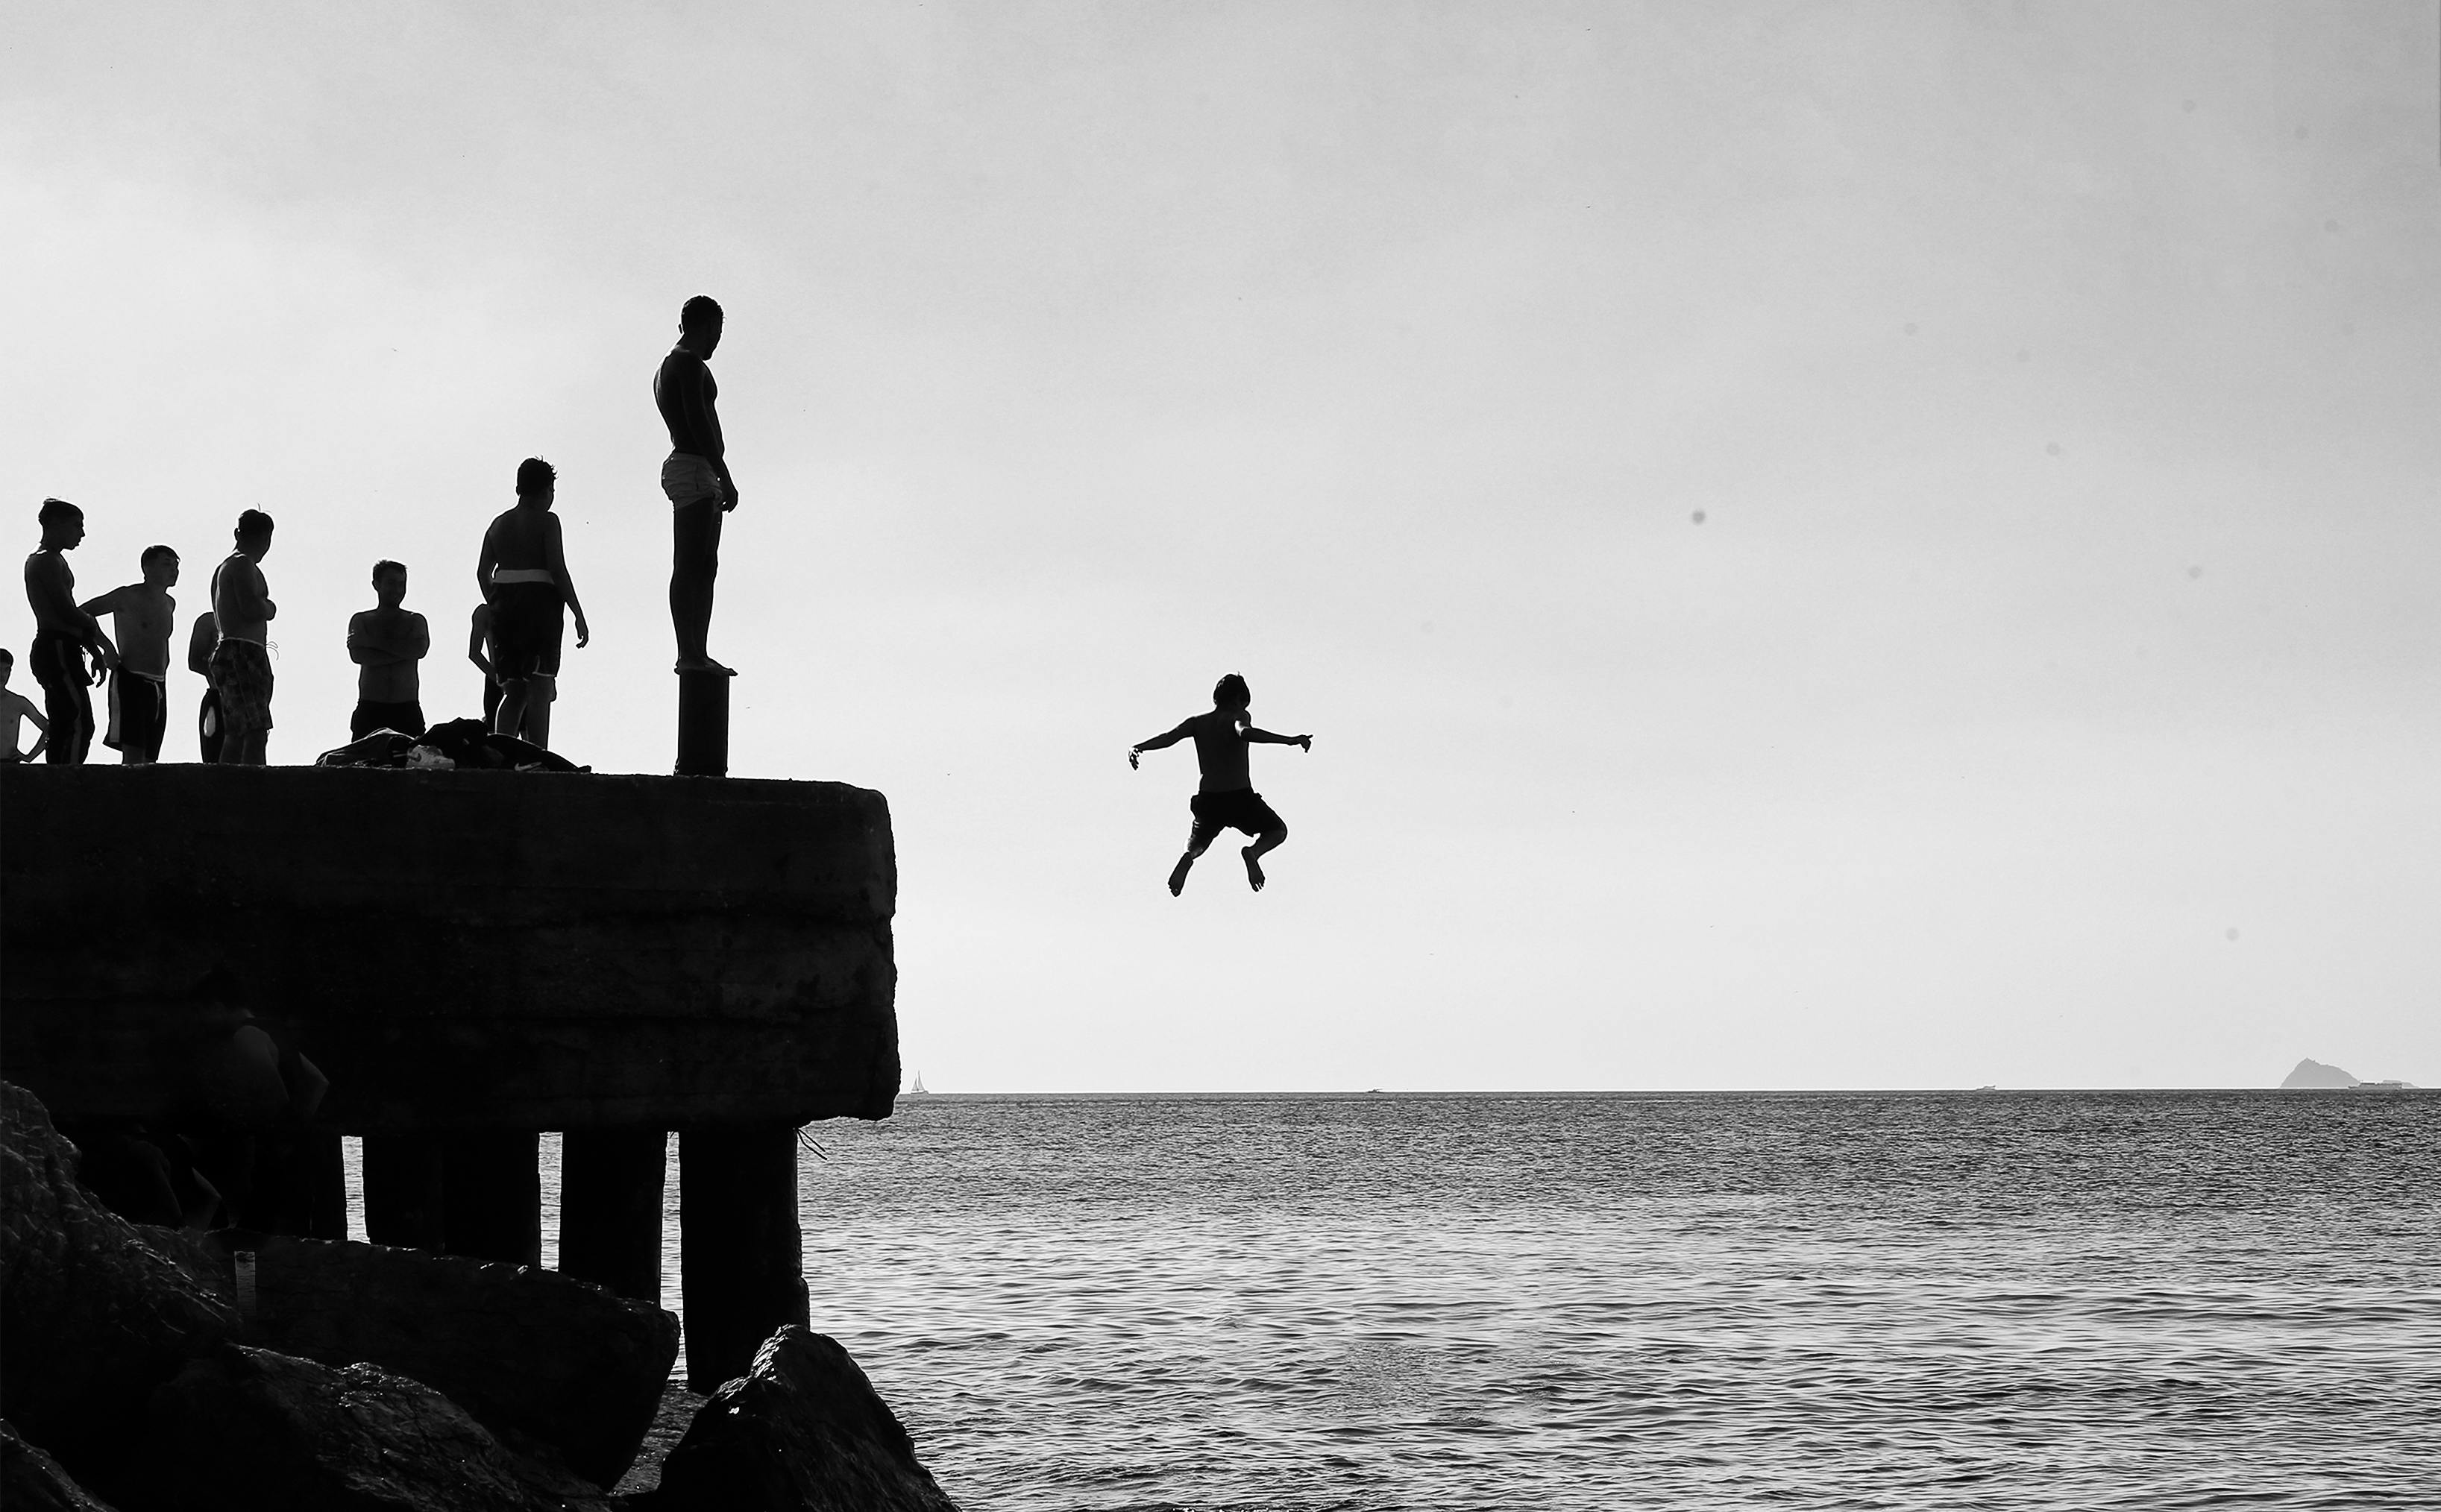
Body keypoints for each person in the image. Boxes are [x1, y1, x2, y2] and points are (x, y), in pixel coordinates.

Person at [1129, 672, 1313, 895]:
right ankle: (1253, 853)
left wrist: (1139, 747)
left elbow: (1169, 738)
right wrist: (1289, 740)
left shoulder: (1197, 723)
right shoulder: (1238, 716)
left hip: (1209, 799)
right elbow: (1245, 732)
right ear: (1239, 700)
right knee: (1278, 830)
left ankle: (1188, 857)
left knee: (1197, 842)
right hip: (1240, 797)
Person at [476, 458, 588, 749]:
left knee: (514, 691)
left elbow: (482, 572)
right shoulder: (548, 521)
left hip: (505, 604)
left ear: (518, 488)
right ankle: (538, 755)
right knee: (540, 687)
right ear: (548, 490)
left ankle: (501, 753)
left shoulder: (497, 525)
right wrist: (577, 611)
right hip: (540, 606)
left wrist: (497, 604)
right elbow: (557, 569)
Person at [655, 294, 738, 675]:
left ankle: (697, 651)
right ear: (704, 326)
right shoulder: (686, 363)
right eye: (716, 332)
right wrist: (724, 472)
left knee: (705, 565)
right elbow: (697, 423)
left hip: (695, 468)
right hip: (693, 467)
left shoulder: (677, 363)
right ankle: (689, 652)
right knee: (690, 564)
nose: (717, 341)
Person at [22, 498, 118, 764]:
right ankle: (65, 783)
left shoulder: (55, 560)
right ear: (56, 524)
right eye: (77, 526)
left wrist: (93, 647)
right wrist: (93, 629)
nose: (82, 534)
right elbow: (66, 612)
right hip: (55, 646)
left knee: (74, 722)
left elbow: (72, 617)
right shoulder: (44, 561)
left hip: (64, 646)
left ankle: (61, 781)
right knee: (75, 722)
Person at [79, 544, 180, 764]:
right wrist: (106, 648)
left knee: (150, 757)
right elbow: (83, 612)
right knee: (133, 755)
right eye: (166, 564)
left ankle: (143, 798)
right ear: (147, 567)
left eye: (176, 566)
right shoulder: (128, 595)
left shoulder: (170, 603)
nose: (173, 570)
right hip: (131, 679)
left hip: (159, 684)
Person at [208, 509, 277, 766]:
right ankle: (254, 788)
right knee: (255, 730)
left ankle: (228, 788)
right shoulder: (241, 564)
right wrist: (270, 607)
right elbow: (251, 608)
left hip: (236, 649)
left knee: (238, 731)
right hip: (242, 651)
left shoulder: (225, 567)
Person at [345, 560, 430, 739]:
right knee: (361, 762)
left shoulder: (415, 620)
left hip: (407, 708)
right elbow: (358, 655)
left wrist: (371, 642)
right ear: (376, 585)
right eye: (392, 583)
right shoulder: (361, 620)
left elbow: (418, 651)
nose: (398, 590)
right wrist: (402, 653)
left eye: (402, 584)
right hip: (371, 708)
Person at [1, 649, 52, 762]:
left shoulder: (18, 702)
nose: (2, 674)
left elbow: (48, 728)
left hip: (9, 764)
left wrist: (30, 757)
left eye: (6, 670)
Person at [186, 609, 222, 762]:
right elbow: (195, 662)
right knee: (214, 757)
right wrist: (225, 680)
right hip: (218, 696)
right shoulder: (209, 621)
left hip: (246, 699)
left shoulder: (248, 619)